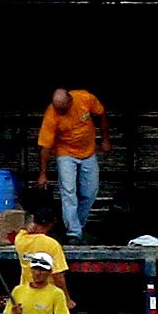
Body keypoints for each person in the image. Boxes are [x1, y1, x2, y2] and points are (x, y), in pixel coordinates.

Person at [36, 84, 107, 239]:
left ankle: (78, 226)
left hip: (88, 152)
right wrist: (43, 174)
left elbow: (101, 114)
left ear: (70, 101)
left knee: (90, 192)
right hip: (65, 153)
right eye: (57, 109)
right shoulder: (52, 114)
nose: (59, 112)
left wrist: (105, 139)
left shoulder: (85, 98)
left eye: (62, 109)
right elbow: (45, 147)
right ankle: (73, 233)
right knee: (68, 192)